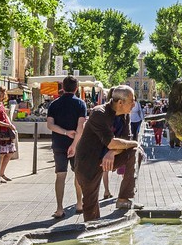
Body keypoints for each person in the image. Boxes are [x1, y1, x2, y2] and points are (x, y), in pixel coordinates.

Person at [68, 84, 140, 221]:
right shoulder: (98, 113)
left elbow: (125, 141)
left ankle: (124, 198)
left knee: (136, 152)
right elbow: (113, 142)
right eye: (132, 101)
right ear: (120, 102)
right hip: (87, 162)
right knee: (90, 206)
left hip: (108, 158)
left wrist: (112, 152)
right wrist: (132, 143)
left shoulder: (125, 116)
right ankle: (92, 234)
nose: (134, 105)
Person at [45, 76, 88, 219]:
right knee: (78, 174)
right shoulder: (81, 104)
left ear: (62, 87)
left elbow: (50, 125)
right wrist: (74, 144)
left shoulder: (54, 104)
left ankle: (59, 208)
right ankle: (79, 203)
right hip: (78, 145)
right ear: (76, 88)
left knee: (60, 175)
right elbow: (80, 127)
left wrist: (64, 132)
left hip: (58, 143)